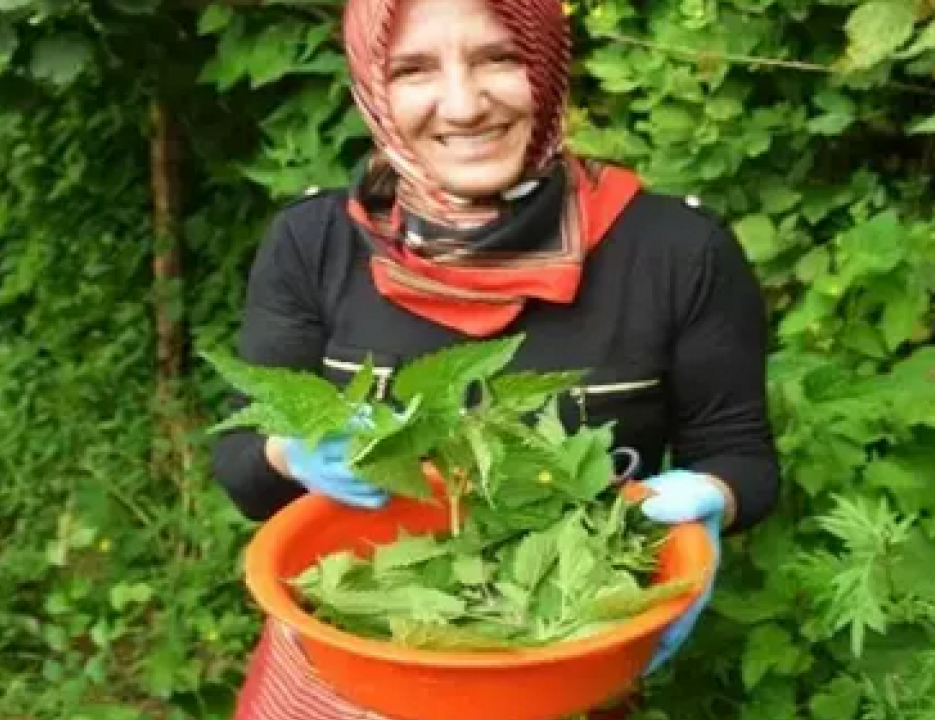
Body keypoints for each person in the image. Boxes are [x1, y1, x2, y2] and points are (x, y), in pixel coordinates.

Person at [211, 0, 781, 716]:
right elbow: (240, 468)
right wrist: (289, 454)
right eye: (414, 69)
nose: (464, 103)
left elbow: (742, 457)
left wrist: (711, 503)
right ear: (371, 87)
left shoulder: (676, 252)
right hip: (349, 669)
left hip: (561, 662)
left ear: (546, 63)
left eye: (498, 58)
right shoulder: (313, 244)